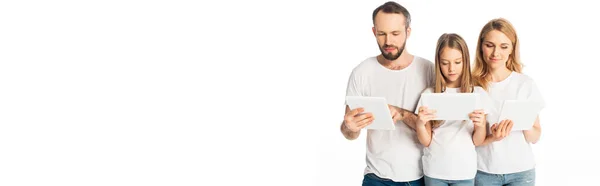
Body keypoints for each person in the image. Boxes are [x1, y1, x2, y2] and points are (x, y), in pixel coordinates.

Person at [340, 1, 434, 185]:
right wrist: (349, 127)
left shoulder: (429, 70)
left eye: (395, 34)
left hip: (422, 176)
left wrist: (401, 114)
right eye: (382, 34)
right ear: (374, 32)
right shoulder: (362, 72)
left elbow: (437, 131)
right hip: (376, 178)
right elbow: (349, 133)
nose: (388, 41)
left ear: (408, 32)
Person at [414, 33, 495, 186]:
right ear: (438, 63)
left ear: (465, 61)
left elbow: (477, 141)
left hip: (464, 171)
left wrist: (479, 125)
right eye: (445, 63)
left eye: (457, 62)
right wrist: (419, 124)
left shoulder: (477, 94)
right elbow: (427, 141)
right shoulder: (429, 94)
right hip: (434, 170)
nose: (451, 69)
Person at [472, 18, 546, 186]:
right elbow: (466, 138)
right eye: (489, 45)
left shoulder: (525, 84)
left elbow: (535, 137)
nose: (495, 53)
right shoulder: (472, 86)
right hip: (484, 171)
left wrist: (522, 120)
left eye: (504, 47)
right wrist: (492, 136)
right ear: (481, 46)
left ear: (512, 49)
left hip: (521, 173)